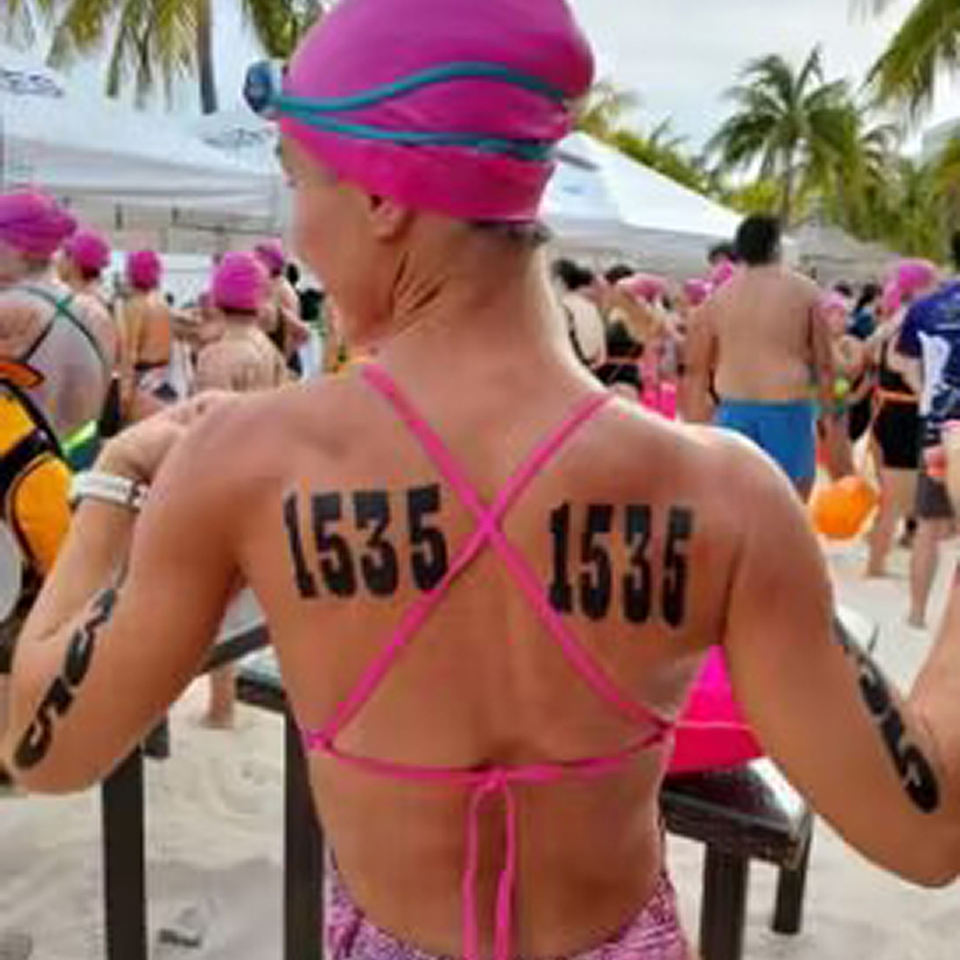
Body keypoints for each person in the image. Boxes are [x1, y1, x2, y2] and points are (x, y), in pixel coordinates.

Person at [6, 7, 960, 960]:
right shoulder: (729, 498)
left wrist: (116, 483)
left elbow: (41, 747)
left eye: (299, 182)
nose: (298, 232)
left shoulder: (244, 462)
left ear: (383, 197)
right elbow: (927, 829)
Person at [0, 192, 90, 787]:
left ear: (13, 243)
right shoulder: (95, 308)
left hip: (15, 466)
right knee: (56, 608)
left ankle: (10, 753)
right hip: (75, 463)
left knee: (11, 615)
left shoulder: (9, 309)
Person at [195, 251, 288, 727]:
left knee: (220, 602)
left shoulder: (217, 356)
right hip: (265, 477)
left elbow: (203, 431)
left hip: (226, 482)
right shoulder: (268, 348)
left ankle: (221, 707)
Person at [685, 214, 837, 501]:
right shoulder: (804, 290)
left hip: (733, 407)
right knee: (790, 500)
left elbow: (696, 368)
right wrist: (831, 415)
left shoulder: (719, 298)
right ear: (776, 247)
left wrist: (695, 424)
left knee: (738, 501)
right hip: (786, 405)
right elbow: (825, 363)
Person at [894, 247, 960, 627]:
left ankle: (917, 612)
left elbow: (902, 360)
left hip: (938, 425)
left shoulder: (925, 307)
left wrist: (924, 390)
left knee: (930, 524)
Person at [865, 270, 931, 579]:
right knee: (896, 499)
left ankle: (877, 560)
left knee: (893, 497)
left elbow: (871, 351)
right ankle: (876, 564)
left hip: (888, 411)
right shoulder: (910, 322)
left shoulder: (893, 322)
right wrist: (926, 392)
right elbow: (901, 364)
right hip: (904, 415)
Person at [120, 250, 175, 420]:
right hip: (164, 379)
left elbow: (130, 352)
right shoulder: (162, 303)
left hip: (143, 382)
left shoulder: (134, 305)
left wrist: (124, 392)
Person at [254, 238, 311, 365]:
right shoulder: (269, 286)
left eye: (259, 259)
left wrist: (281, 362)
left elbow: (292, 332)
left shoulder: (283, 290)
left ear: (271, 262)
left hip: (283, 358)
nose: (255, 263)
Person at [552, 258, 607, 370]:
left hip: (567, 369)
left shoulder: (561, 308)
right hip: (588, 370)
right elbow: (601, 356)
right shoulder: (592, 308)